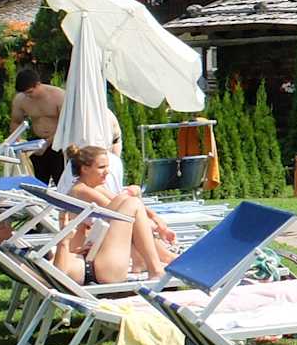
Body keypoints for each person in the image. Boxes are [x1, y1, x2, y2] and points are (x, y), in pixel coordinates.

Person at [56, 144, 177, 286]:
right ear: (85, 169)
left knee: (130, 204)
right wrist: (154, 223)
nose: (107, 172)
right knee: (131, 204)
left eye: (108, 167)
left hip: (94, 254)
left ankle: (150, 263)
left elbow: (119, 204)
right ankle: (157, 265)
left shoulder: (95, 187)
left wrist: (155, 218)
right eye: (101, 167)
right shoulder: (80, 190)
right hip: (90, 258)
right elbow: (117, 211)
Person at [10, 64, 67, 184]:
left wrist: (47, 143)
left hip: (58, 143)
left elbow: (66, 125)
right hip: (36, 144)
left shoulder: (58, 96)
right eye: (25, 93)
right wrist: (18, 142)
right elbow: (15, 122)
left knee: (61, 181)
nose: (28, 96)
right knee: (38, 181)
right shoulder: (20, 100)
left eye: (30, 92)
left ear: (38, 84)